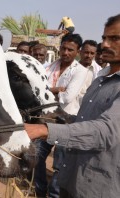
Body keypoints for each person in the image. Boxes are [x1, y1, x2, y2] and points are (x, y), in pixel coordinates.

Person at [25, 14, 120, 198]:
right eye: (104, 38)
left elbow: (105, 132)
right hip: (73, 179)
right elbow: (84, 120)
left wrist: (45, 130)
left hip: (98, 188)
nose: (106, 45)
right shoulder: (101, 79)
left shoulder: (87, 74)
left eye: (115, 38)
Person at [35, 33, 90, 198]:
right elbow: (36, 92)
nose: (65, 52)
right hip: (47, 118)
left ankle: (54, 194)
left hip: (67, 120)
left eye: (70, 50)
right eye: (63, 48)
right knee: (37, 157)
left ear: (77, 51)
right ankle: (39, 190)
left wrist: (47, 91)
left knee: (59, 164)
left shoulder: (81, 71)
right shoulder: (50, 67)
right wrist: (56, 89)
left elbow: (66, 98)